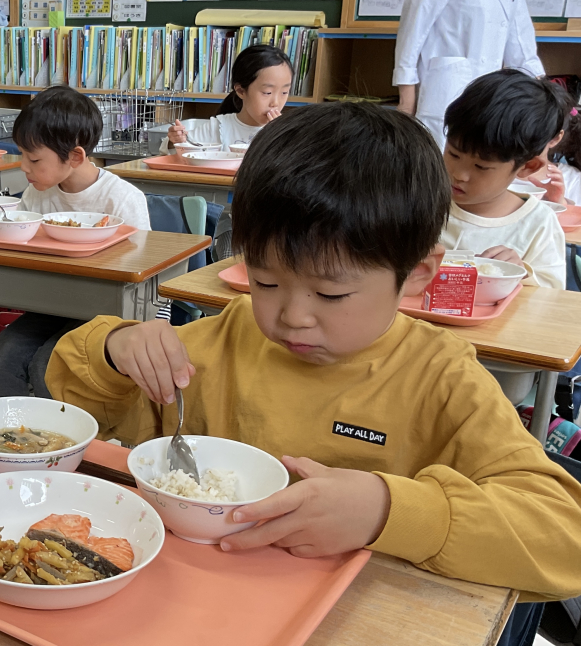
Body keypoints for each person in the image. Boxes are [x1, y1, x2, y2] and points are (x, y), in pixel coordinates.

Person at [45, 101, 581, 622]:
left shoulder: (440, 375)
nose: (292, 316)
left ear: (417, 274)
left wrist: (387, 512)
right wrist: (116, 349)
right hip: (191, 603)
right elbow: (71, 396)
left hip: (352, 616)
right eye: (266, 281)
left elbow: (564, 535)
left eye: (330, 295)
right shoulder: (230, 336)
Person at [0, 86, 150, 398]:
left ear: (76, 156)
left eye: (34, 159)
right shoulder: (39, 193)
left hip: (104, 314)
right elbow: (14, 231)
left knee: (47, 365)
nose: (24, 167)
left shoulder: (121, 200)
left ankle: (62, 442)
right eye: (22, 155)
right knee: (0, 356)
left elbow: (145, 275)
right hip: (52, 305)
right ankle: (13, 438)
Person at [440, 69, 566, 290]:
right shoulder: (420, 199)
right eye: (453, 154)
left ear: (528, 167)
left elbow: (553, 298)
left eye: (481, 167)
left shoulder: (537, 223)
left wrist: (520, 273)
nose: (459, 174)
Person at [394, 0, 544, 149]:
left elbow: (523, 53)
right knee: (437, 161)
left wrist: (542, 108)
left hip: (491, 97)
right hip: (445, 94)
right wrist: (406, 103)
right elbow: (411, 36)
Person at [163, 45, 292, 153]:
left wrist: (280, 136)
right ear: (241, 91)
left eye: (284, 92)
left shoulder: (290, 132)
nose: (276, 102)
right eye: (267, 92)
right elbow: (170, 150)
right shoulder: (220, 127)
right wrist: (176, 140)